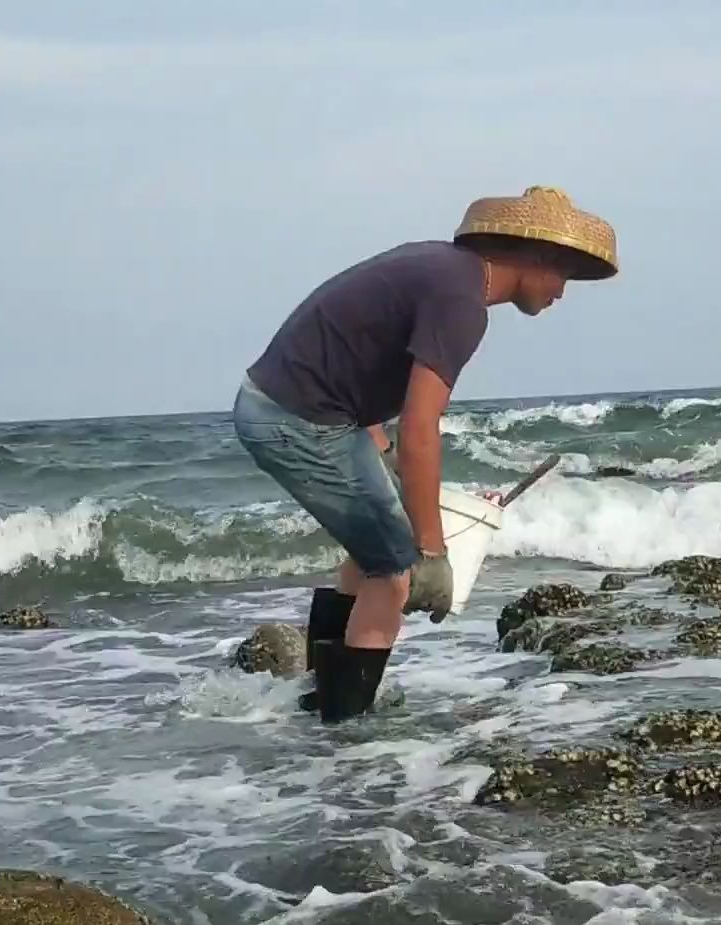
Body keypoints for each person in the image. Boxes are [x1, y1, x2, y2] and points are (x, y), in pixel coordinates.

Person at [231, 186, 619, 723]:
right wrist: (431, 554)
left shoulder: (441, 269)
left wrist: (381, 456)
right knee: (394, 571)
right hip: (294, 421)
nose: (561, 292)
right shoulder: (462, 304)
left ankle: (317, 700)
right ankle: (343, 734)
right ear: (536, 257)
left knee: (371, 553)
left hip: (290, 408)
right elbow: (420, 426)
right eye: (564, 275)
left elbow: (354, 357)